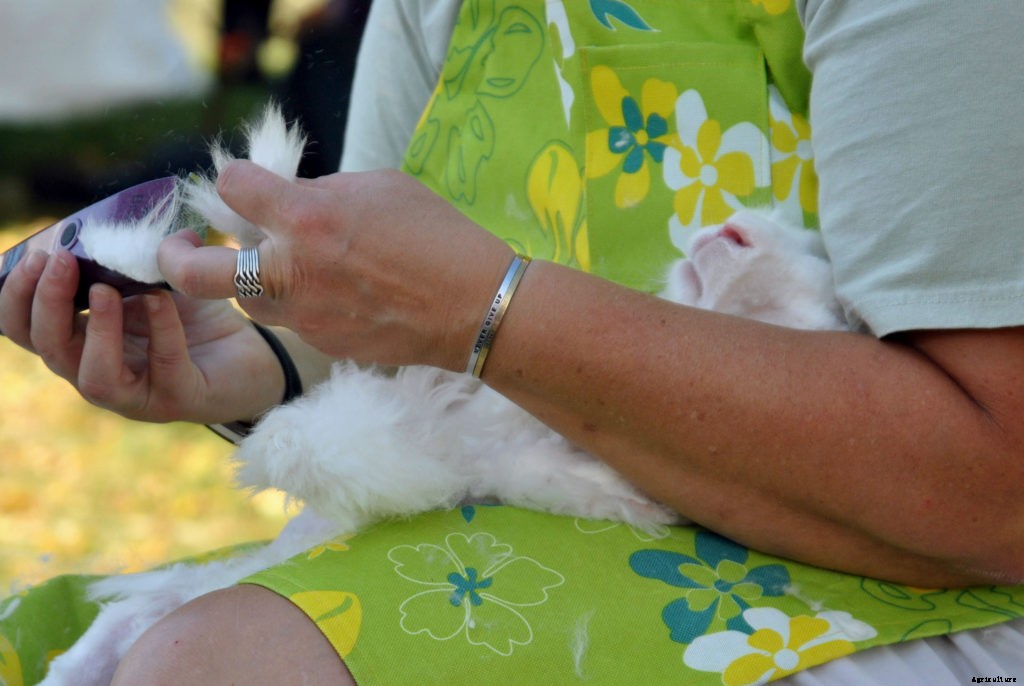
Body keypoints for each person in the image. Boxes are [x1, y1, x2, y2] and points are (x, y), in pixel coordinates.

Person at [1, 0, 1022, 684]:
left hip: (905, 590)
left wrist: (494, 312)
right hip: (544, 519)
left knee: (216, 666)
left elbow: (992, 491)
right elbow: (400, 303)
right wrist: (252, 356)